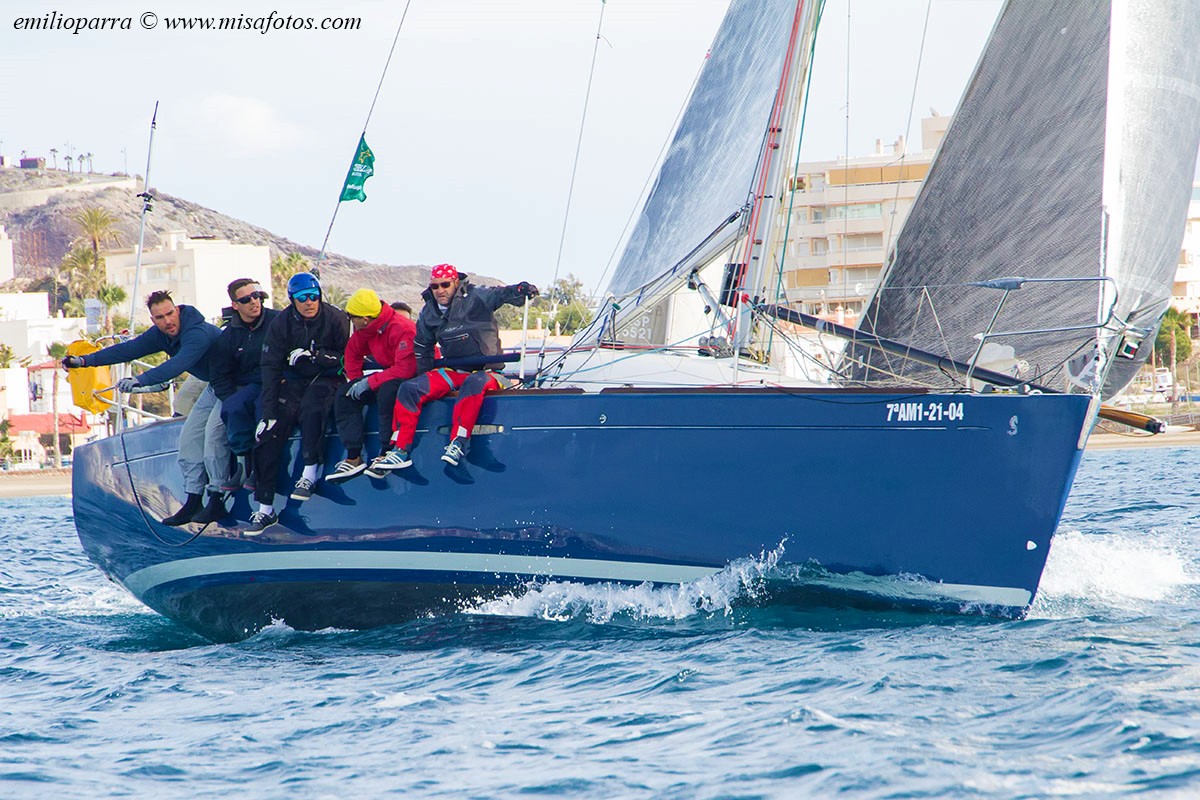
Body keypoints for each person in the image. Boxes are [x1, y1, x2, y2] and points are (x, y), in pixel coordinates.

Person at [62, 290, 222, 525]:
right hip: (215, 385)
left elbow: (178, 364)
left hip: (237, 383)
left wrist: (140, 380)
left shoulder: (196, 332)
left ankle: (217, 500)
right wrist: (85, 362)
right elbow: (129, 349)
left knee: (214, 436)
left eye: (170, 314)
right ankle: (194, 500)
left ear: (177, 310)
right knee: (188, 439)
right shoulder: (162, 334)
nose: (167, 321)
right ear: (153, 320)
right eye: (160, 317)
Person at [370, 263, 537, 472]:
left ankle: (458, 443)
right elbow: (423, 346)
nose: (440, 290)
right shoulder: (428, 312)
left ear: (455, 283)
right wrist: (425, 378)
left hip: (488, 372)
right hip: (454, 371)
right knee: (410, 388)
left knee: (473, 382)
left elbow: (502, 295)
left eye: (445, 285)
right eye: (435, 286)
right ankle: (399, 450)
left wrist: (520, 290)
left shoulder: (477, 296)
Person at [246, 272, 350, 534]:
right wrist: (267, 413)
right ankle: (265, 508)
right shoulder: (281, 323)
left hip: (328, 378)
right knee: (268, 431)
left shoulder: (336, 318)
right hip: (292, 381)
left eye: (314, 296)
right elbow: (269, 367)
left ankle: (309, 473)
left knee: (313, 407)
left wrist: (316, 356)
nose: (309, 302)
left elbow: (347, 360)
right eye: (302, 298)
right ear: (292, 300)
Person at [190, 279, 279, 524]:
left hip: (278, 383)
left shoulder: (278, 322)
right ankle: (239, 470)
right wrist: (232, 399)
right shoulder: (228, 336)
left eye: (257, 296)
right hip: (247, 386)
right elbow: (219, 375)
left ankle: (259, 471)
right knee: (228, 413)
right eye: (246, 299)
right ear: (234, 305)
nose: (254, 302)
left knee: (265, 413)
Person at [326, 288, 418, 483]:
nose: (350, 321)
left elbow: (405, 369)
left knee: (388, 392)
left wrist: (369, 381)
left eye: (352, 317)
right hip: (391, 373)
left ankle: (386, 451)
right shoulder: (367, 329)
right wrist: (355, 380)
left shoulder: (403, 328)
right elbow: (352, 352)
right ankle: (353, 457)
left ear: (365, 318)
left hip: (414, 376)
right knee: (345, 393)